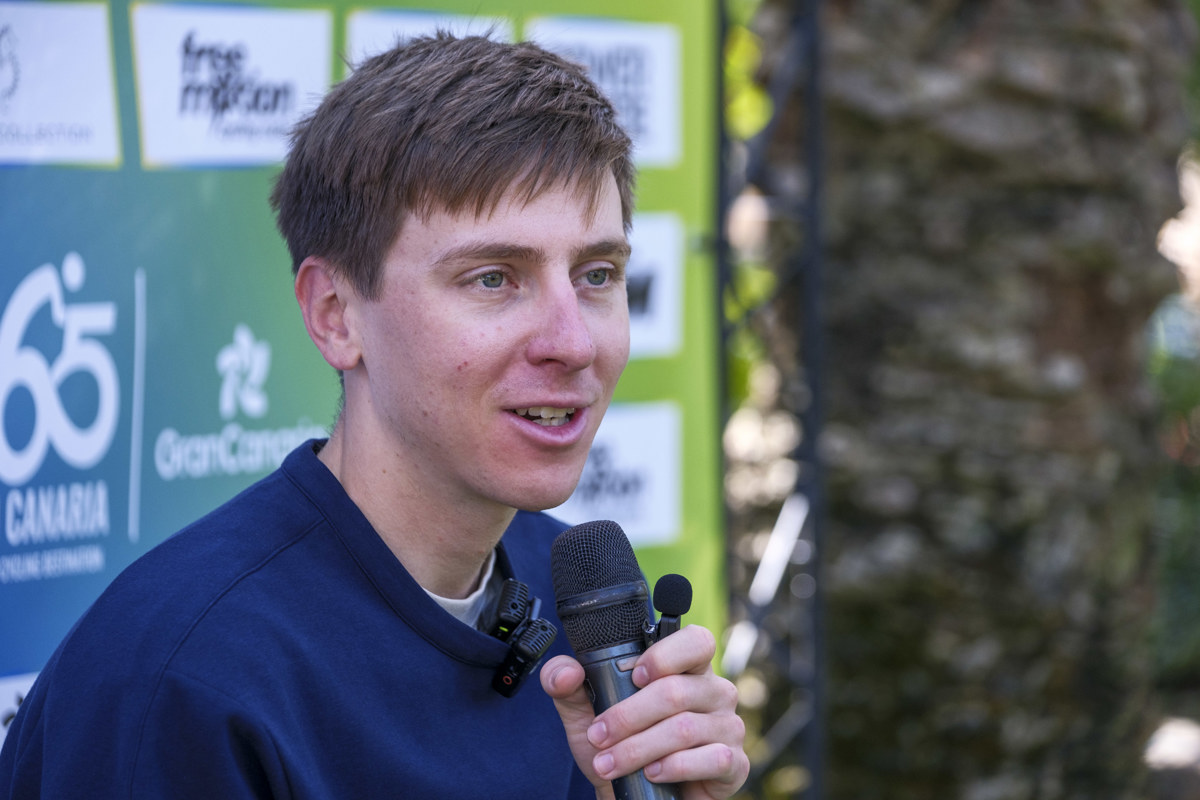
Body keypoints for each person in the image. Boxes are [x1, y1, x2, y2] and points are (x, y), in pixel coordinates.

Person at [0, 32, 748, 799]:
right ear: (335, 315)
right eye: (493, 278)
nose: (574, 342)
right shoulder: (183, 678)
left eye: (597, 275)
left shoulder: (585, 606)